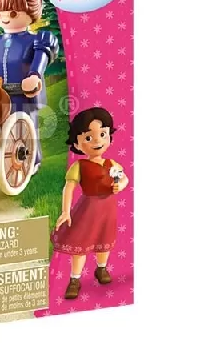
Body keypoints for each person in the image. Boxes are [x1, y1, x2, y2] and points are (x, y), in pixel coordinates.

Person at [0, 0, 59, 173]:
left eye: (12, 13)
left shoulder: (35, 40)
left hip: (24, 92)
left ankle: (33, 160)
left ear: (30, 11)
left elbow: (42, 55)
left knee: (26, 127)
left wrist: (34, 75)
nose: (5, 18)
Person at [51, 107, 129, 300]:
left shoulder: (112, 164)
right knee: (81, 243)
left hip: (108, 209)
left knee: (105, 240)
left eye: (102, 134)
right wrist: (66, 211)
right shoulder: (79, 166)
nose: (97, 141)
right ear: (76, 143)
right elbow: (69, 188)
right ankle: (75, 279)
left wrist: (120, 185)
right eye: (88, 137)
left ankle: (101, 268)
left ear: (109, 135)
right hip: (88, 210)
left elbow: (124, 179)